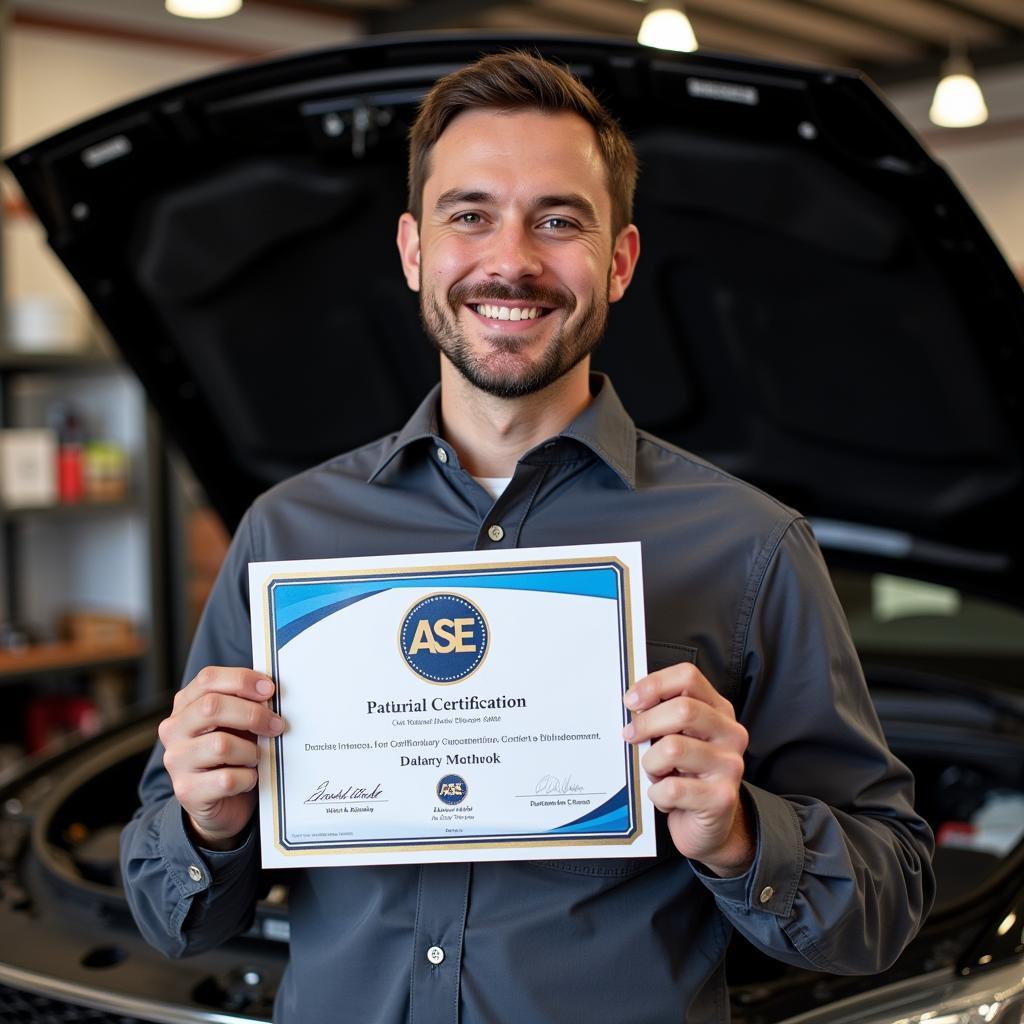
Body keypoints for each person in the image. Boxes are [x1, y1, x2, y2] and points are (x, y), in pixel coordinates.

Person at [121, 51, 935, 1023]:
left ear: (620, 261)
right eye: (470, 214)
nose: (510, 260)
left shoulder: (748, 548)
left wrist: (739, 830)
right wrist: (207, 825)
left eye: (558, 220)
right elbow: (174, 918)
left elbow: (886, 902)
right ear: (414, 250)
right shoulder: (289, 535)